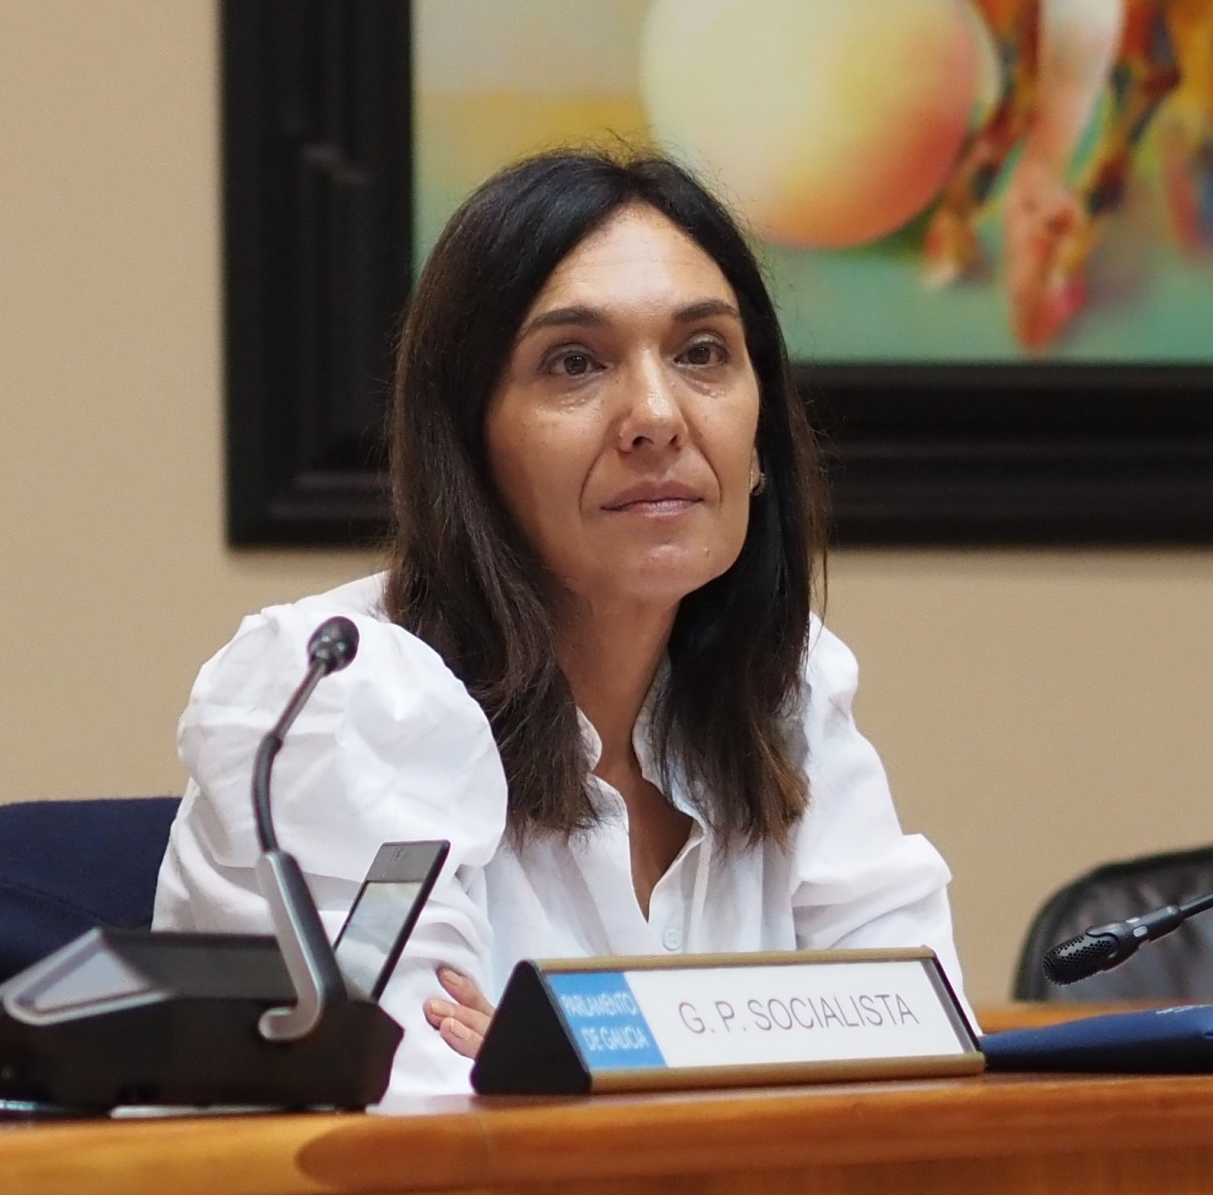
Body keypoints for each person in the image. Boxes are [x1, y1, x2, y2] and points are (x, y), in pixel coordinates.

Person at [152, 149, 969, 1105]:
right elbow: (411, 1125)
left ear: (760, 443)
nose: (656, 416)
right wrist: (751, 1060)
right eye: (574, 362)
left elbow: (923, 1051)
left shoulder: (784, 690)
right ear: (469, 447)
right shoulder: (335, 698)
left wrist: (587, 1056)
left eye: (703, 353)